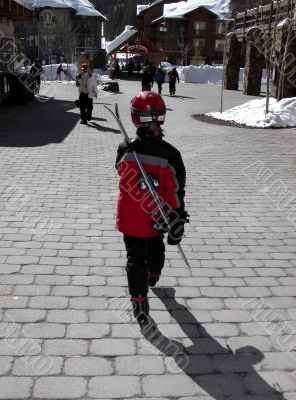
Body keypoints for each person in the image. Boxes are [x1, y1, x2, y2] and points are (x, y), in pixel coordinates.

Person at [115, 91, 188, 325]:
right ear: (162, 117)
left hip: (130, 216)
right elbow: (175, 192)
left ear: (135, 118)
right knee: (155, 245)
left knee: (135, 258)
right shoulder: (171, 155)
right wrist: (176, 219)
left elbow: (120, 170)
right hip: (156, 216)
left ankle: (139, 303)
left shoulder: (125, 148)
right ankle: (153, 275)